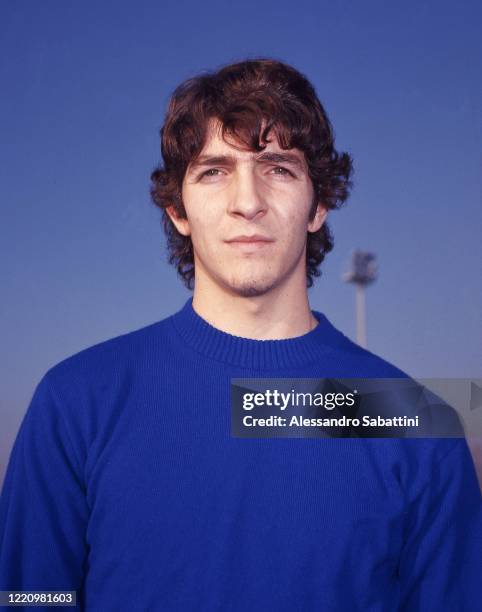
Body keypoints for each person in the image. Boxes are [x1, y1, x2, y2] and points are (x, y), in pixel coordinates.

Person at [0, 58, 480, 611]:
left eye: (278, 167)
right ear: (178, 208)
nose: (247, 201)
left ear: (318, 204)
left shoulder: (409, 420)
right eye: (214, 171)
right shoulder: (78, 399)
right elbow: (30, 597)